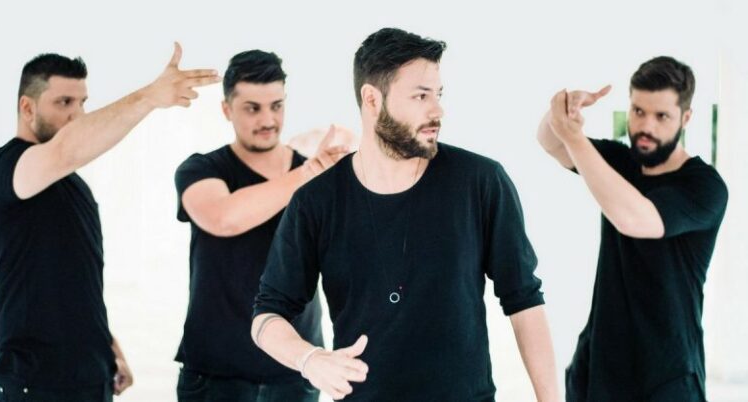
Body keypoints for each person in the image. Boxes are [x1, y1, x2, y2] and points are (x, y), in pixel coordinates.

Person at [251, 28, 559, 401]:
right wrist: (309, 359)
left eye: (438, 95)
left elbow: (525, 300)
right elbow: (267, 316)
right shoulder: (315, 201)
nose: (437, 110)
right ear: (372, 99)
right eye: (420, 96)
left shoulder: (480, 181)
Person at [0, 44, 219, 402]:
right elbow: (65, 150)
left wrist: (109, 349)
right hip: (34, 382)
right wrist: (149, 96)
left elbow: (76, 285)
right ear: (27, 108)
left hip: (92, 377)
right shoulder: (2, 169)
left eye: (82, 103)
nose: (77, 115)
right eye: (64, 102)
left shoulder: (74, 187)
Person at [537, 56, 728, 402]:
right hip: (598, 367)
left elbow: (634, 218)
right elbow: (550, 143)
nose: (646, 126)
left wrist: (575, 138)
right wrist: (562, 113)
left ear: (685, 118)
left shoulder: (704, 186)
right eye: (638, 111)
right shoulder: (620, 160)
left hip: (667, 377)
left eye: (661, 116)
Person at [173, 49, 349, 402]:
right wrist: (309, 173)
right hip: (214, 377)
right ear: (227, 109)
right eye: (252, 108)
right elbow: (222, 217)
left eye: (276, 106)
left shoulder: (318, 175)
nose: (268, 119)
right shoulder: (201, 169)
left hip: (298, 371)